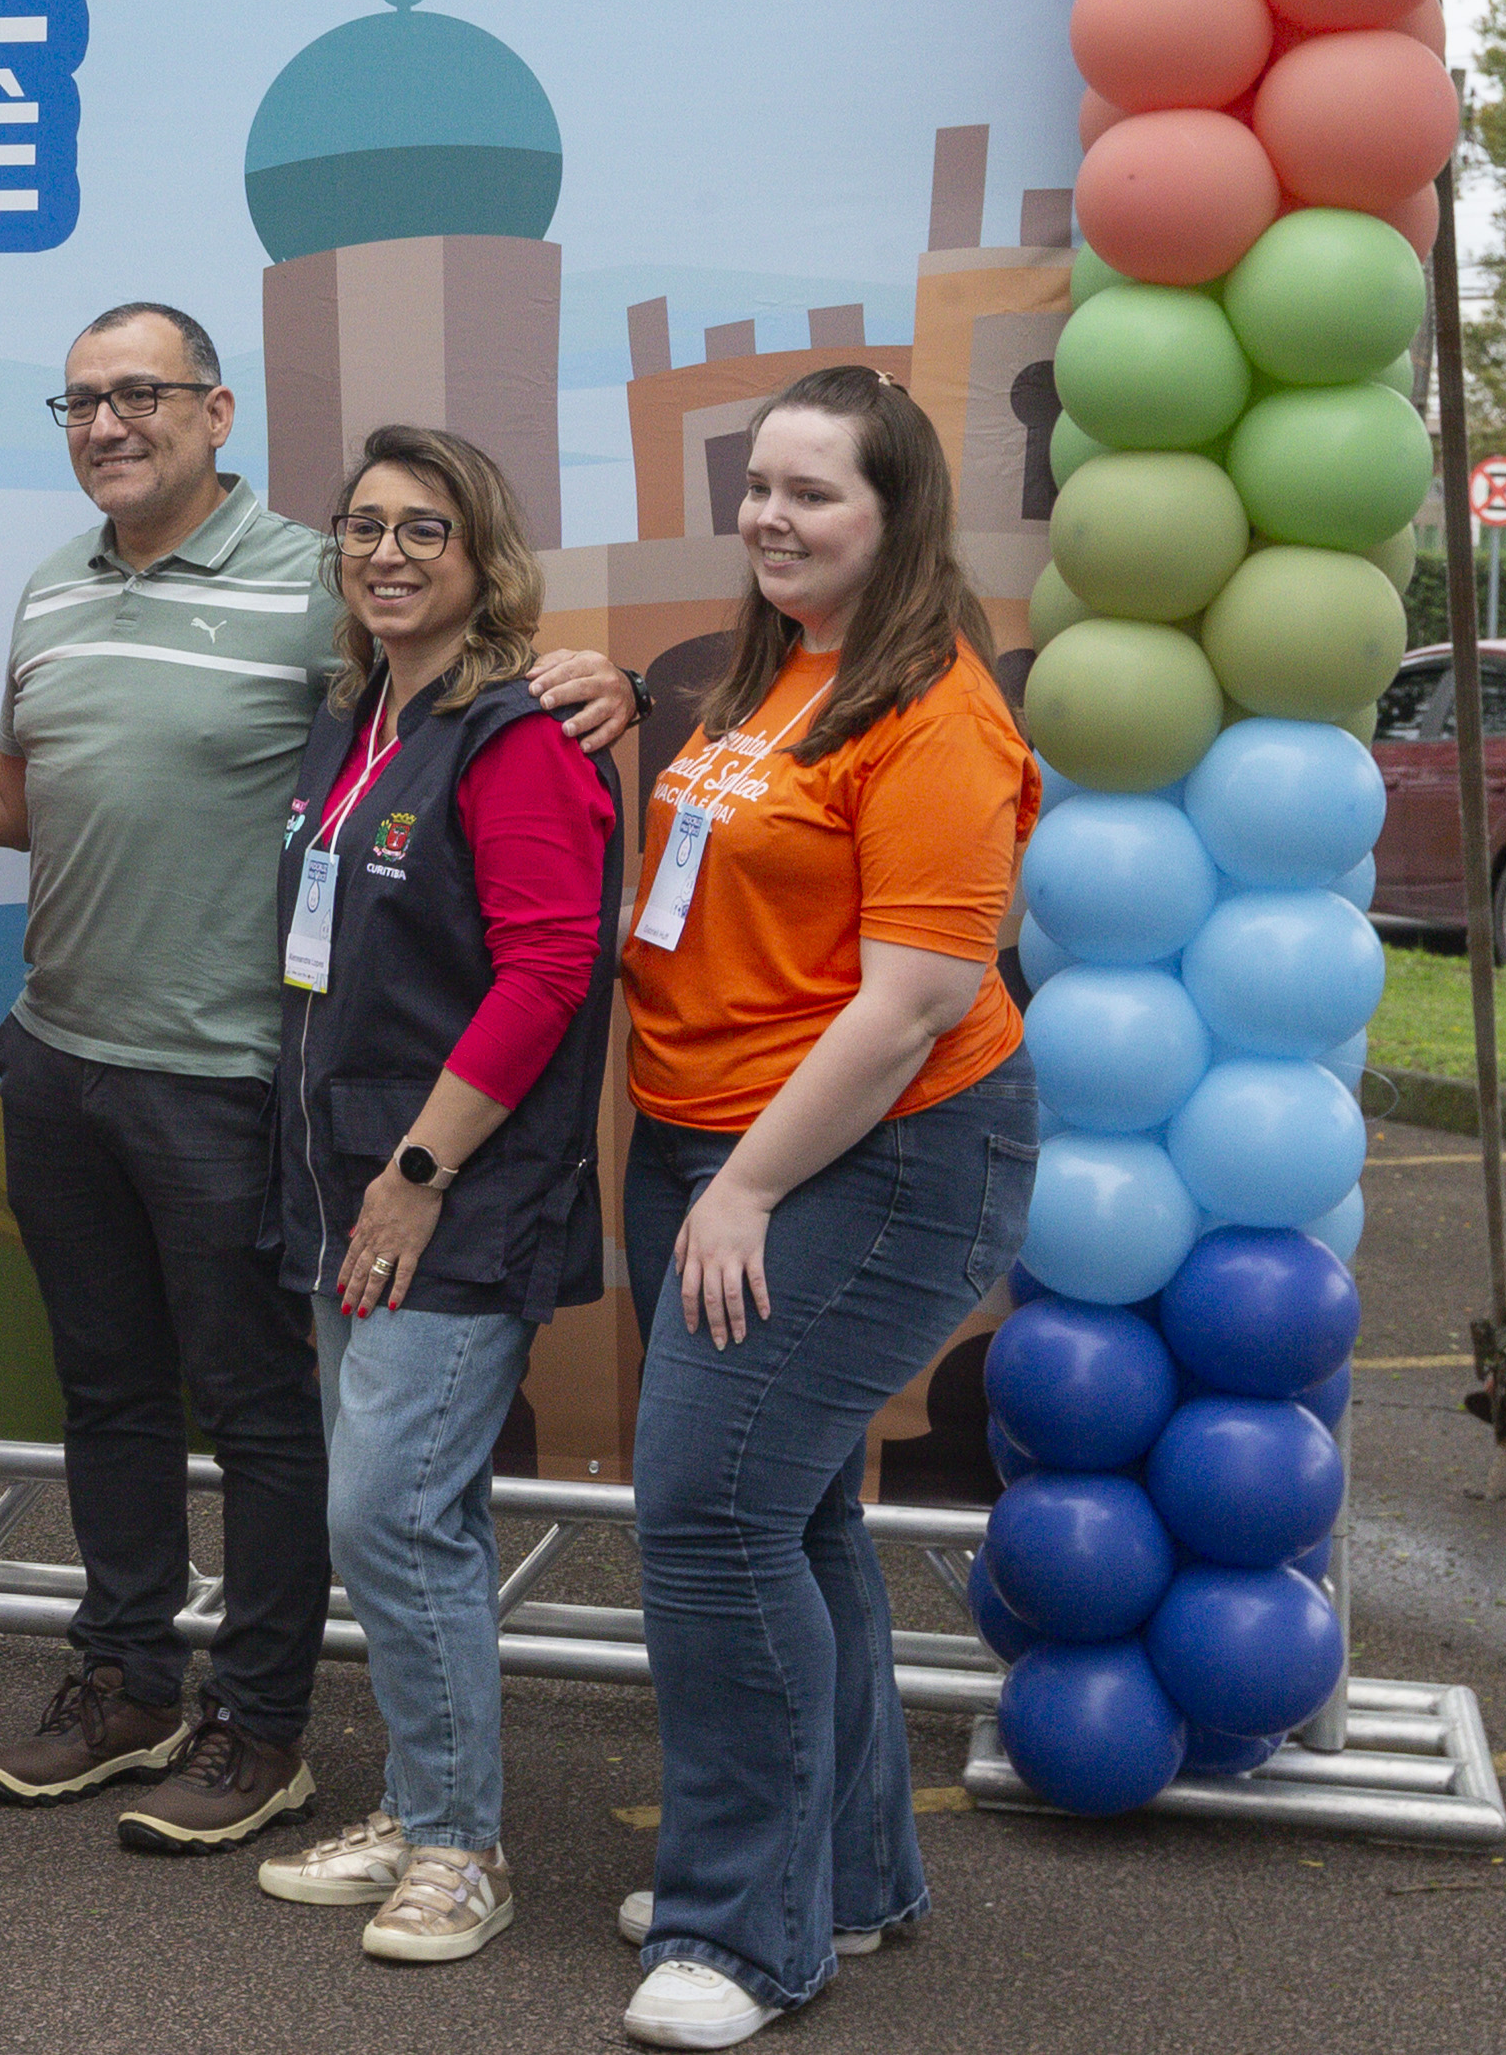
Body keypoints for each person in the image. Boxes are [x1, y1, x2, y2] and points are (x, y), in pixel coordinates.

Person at [0, 304, 634, 1854]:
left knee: (263, 1419)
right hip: (60, 1051)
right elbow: (23, 789)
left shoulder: (307, 584)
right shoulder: (56, 585)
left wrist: (610, 684)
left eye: (142, 392)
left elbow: (482, 690)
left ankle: (258, 1723)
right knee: (108, 1393)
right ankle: (126, 1682)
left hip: (232, 1078)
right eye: (80, 400)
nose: (108, 422)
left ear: (216, 410)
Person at [609, 367, 1041, 2051]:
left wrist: (750, 1185)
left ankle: (743, 1933)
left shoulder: (937, 710)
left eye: (815, 493)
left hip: (867, 1154)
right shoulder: (777, 666)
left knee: (710, 1515)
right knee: (787, 1516)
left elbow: (914, 999)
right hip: (708, 1134)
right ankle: (838, 1874)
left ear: (896, 512)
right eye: (760, 487)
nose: (773, 518)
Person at [248, 427, 619, 1960]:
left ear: (484, 558)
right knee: (405, 1513)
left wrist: (416, 1173)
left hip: (448, 1193)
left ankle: (464, 1844)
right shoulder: (359, 716)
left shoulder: (516, 736)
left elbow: (546, 975)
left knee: (391, 1510)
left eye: (424, 528)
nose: (386, 552)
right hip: (346, 1184)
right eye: (364, 525)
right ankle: (419, 1801)